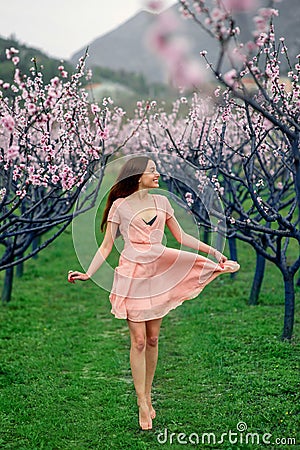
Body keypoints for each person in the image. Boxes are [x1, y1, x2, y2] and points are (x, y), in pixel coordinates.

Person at [68, 155, 240, 431]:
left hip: (158, 274)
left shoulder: (162, 202)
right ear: (138, 176)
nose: (157, 174)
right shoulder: (120, 207)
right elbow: (106, 246)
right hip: (132, 276)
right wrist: (88, 273)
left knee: (152, 338)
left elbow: (182, 238)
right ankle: (142, 402)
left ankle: (148, 394)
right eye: (152, 171)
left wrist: (213, 251)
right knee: (137, 341)